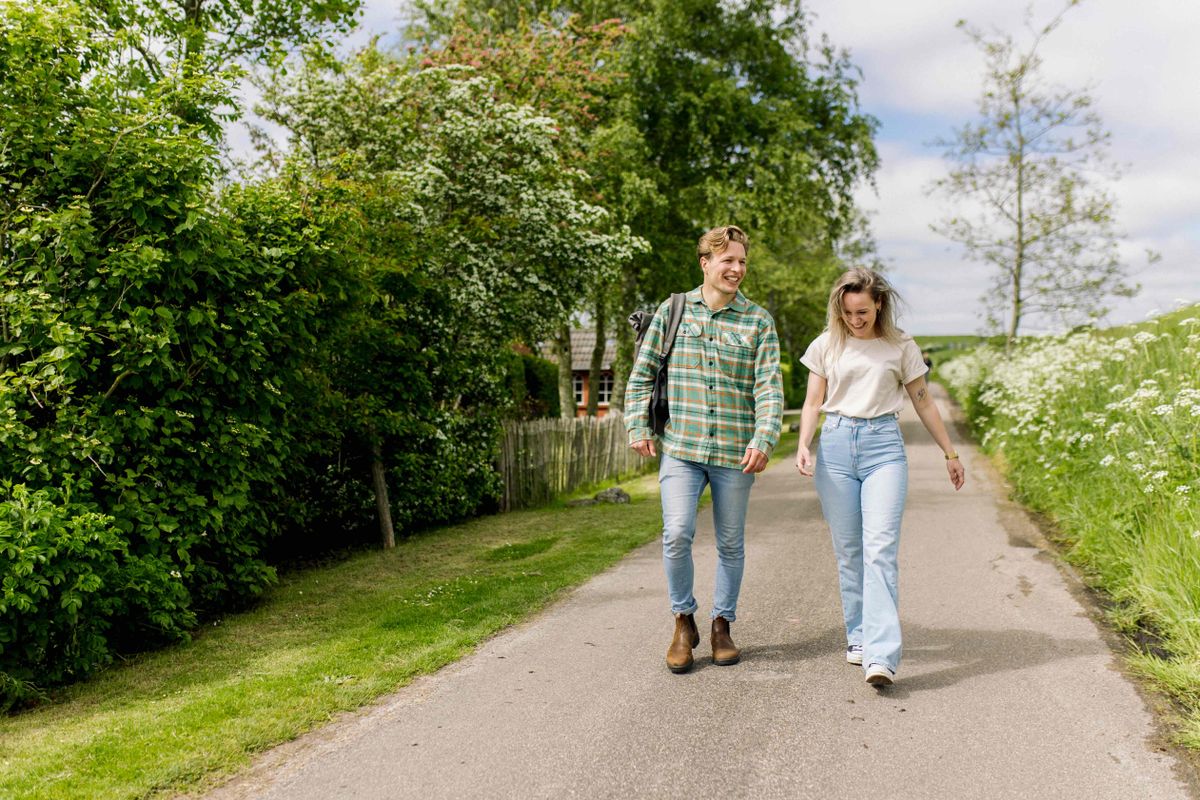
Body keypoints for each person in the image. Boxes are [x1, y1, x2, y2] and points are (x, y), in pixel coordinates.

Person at [794, 267, 965, 687]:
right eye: (849, 312)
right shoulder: (826, 345)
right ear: (840, 308)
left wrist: (950, 451)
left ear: (879, 305)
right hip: (835, 448)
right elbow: (813, 401)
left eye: (864, 312)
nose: (856, 319)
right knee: (849, 551)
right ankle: (858, 635)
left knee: (880, 550)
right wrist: (803, 444)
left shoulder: (901, 346)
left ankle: (882, 655)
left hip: (883, 448)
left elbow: (923, 402)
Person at [625, 225, 783, 674]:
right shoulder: (674, 310)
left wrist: (764, 437)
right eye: (728, 260)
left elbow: (769, 388)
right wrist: (639, 425)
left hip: (736, 453)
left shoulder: (758, 321)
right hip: (682, 447)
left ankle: (721, 625)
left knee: (731, 543)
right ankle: (682, 621)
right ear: (706, 263)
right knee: (676, 534)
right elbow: (642, 373)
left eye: (742, 262)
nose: (736, 269)